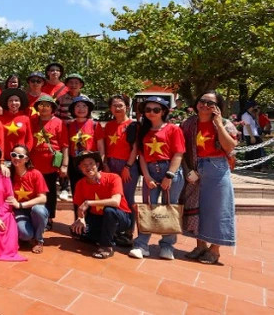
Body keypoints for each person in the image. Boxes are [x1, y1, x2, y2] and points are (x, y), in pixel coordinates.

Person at [180, 91, 238, 264]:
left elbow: (229, 147)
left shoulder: (226, 124)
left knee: (217, 209)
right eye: (202, 101)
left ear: (218, 107)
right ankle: (201, 245)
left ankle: (215, 249)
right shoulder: (188, 123)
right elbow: (181, 148)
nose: (205, 104)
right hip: (195, 167)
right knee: (197, 207)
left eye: (210, 103)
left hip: (217, 168)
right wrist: (188, 169)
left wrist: (218, 124)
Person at [129, 96, 186, 260]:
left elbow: (178, 153)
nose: (151, 113)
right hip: (151, 171)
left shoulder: (173, 129)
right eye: (148, 110)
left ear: (164, 111)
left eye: (156, 109)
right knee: (148, 206)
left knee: (169, 207)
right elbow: (143, 156)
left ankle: (167, 246)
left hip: (169, 170)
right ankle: (142, 244)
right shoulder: (143, 130)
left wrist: (170, 175)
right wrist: (146, 176)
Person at [70, 151, 133, 259]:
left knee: (109, 210)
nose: (88, 167)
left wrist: (89, 202)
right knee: (76, 231)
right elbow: (79, 206)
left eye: (91, 164)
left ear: (97, 165)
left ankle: (106, 246)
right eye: (84, 165)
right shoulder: (80, 184)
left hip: (120, 216)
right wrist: (81, 218)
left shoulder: (113, 178)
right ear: (80, 168)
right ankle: (112, 236)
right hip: (98, 217)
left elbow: (115, 202)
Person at [99, 94, 139, 244]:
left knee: (127, 199)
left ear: (127, 107)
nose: (117, 108)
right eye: (114, 105)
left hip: (127, 165)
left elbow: (135, 148)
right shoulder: (108, 125)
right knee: (114, 197)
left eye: (120, 105)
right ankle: (115, 229)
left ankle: (128, 232)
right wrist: (105, 164)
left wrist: (128, 166)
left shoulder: (133, 125)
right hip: (111, 164)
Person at [29, 95, 69, 229]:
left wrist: (64, 165)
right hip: (34, 164)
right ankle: (34, 216)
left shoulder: (58, 122)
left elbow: (64, 145)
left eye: (47, 105)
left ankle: (49, 218)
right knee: (34, 191)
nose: (44, 108)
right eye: (41, 105)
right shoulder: (32, 121)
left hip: (51, 165)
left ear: (52, 108)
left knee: (50, 192)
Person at [8, 144, 48, 254]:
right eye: (14, 155)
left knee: (39, 210)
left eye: (20, 156)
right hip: (19, 212)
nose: (16, 158)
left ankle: (38, 240)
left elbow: (43, 198)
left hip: (31, 208)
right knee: (25, 235)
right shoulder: (8, 173)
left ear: (26, 159)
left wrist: (21, 205)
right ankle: (29, 234)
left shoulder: (35, 174)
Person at [65, 96, 101, 210]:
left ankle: (91, 221)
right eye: (78, 106)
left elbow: (101, 146)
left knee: (92, 191)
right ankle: (78, 220)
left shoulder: (95, 124)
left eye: (84, 106)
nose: (81, 109)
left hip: (91, 163)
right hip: (75, 163)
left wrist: (102, 163)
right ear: (73, 109)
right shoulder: (68, 125)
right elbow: (65, 145)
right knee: (77, 192)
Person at [0, 88, 33, 157]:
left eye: (16, 100)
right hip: (3, 158)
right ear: (7, 103)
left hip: (20, 157)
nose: (13, 103)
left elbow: (30, 140)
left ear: (20, 103)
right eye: (10, 100)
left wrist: (25, 154)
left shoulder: (26, 119)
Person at [241, 100, 264, 171]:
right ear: (251, 107)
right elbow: (247, 126)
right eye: (255, 106)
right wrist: (252, 137)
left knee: (254, 151)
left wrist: (257, 114)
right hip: (250, 135)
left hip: (254, 134)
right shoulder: (246, 115)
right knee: (253, 151)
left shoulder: (251, 115)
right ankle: (252, 166)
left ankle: (253, 165)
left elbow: (257, 124)